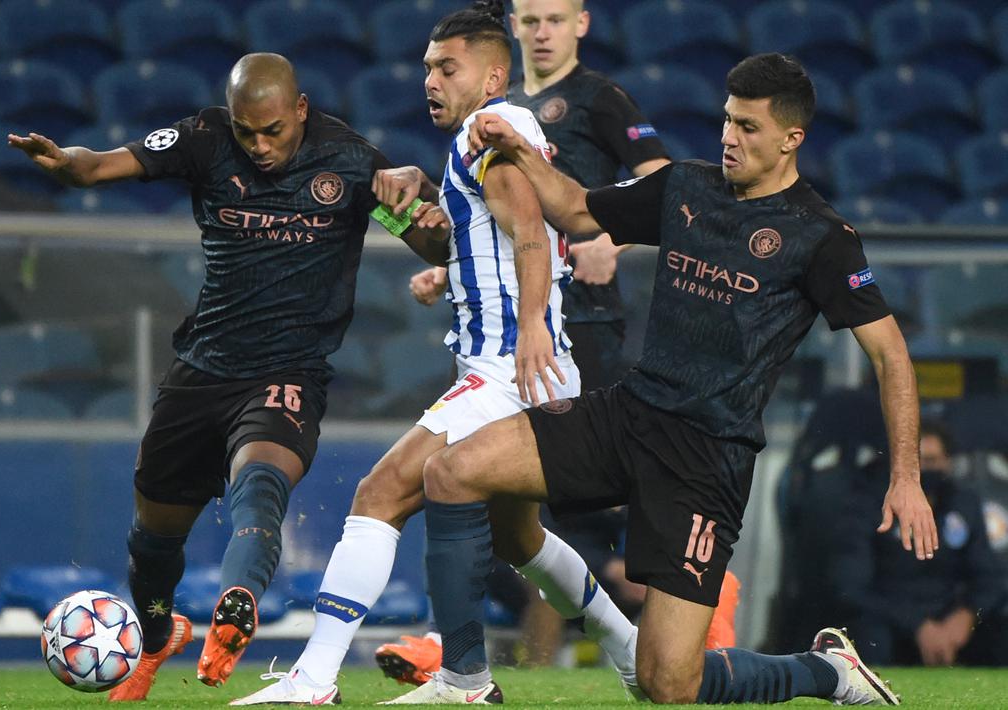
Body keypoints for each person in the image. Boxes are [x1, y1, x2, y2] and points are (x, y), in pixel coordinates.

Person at [386, 52, 938, 705]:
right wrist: (519, 151)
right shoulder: (685, 185)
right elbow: (575, 209)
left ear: (792, 138)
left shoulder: (821, 238)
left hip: (705, 459)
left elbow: (891, 356)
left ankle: (827, 672)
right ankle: (463, 680)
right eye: (727, 120)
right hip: (629, 413)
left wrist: (906, 477)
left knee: (667, 683)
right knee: (451, 473)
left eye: (749, 128)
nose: (729, 138)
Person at [9, 53, 450, 701]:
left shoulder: (353, 164)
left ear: (300, 109)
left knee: (260, 483)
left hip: (289, 370)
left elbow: (437, 244)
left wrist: (427, 202)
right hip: (203, 369)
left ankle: (235, 606)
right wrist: (65, 162)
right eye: (248, 132)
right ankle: (156, 639)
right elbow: (99, 166)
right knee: (153, 538)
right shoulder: (205, 139)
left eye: (273, 130)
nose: (260, 145)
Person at [230, 2, 634, 704]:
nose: (431, 80)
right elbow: (496, 237)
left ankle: (314, 677)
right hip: (522, 368)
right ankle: (628, 648)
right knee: (518, 538)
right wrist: (434, 247)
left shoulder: (488, 133)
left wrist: (531, 325)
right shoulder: (491, 136)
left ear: (492, 77)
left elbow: (530, 234)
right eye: (427, 67)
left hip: (508, 370)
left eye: (448, 67)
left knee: (379, 492)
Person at [384, 0, 712, 678]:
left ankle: (514, 657)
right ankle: (494, 653)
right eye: (530, 20)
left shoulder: (599, 98)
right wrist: (451, 268)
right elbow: (494, 224)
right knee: (504, 512)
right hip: (510, 331)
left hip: (578, 326)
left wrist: (612, 238)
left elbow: (661, 183)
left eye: (554, 20)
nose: (541, 32)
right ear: (512, 29)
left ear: (580, 25)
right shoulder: (492, 111)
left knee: (562, 508)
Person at [832, 419, 1008, 667]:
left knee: (997, 627)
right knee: (871, 633)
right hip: (891, 618)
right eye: (917, 462)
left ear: (947, 462)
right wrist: (917, 625)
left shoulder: (963, 503)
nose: (925, 471)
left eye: (933, 461)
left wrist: (966, 616)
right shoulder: (867, 507)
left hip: (949, 619)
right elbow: (850, 587)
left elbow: (990, 577)